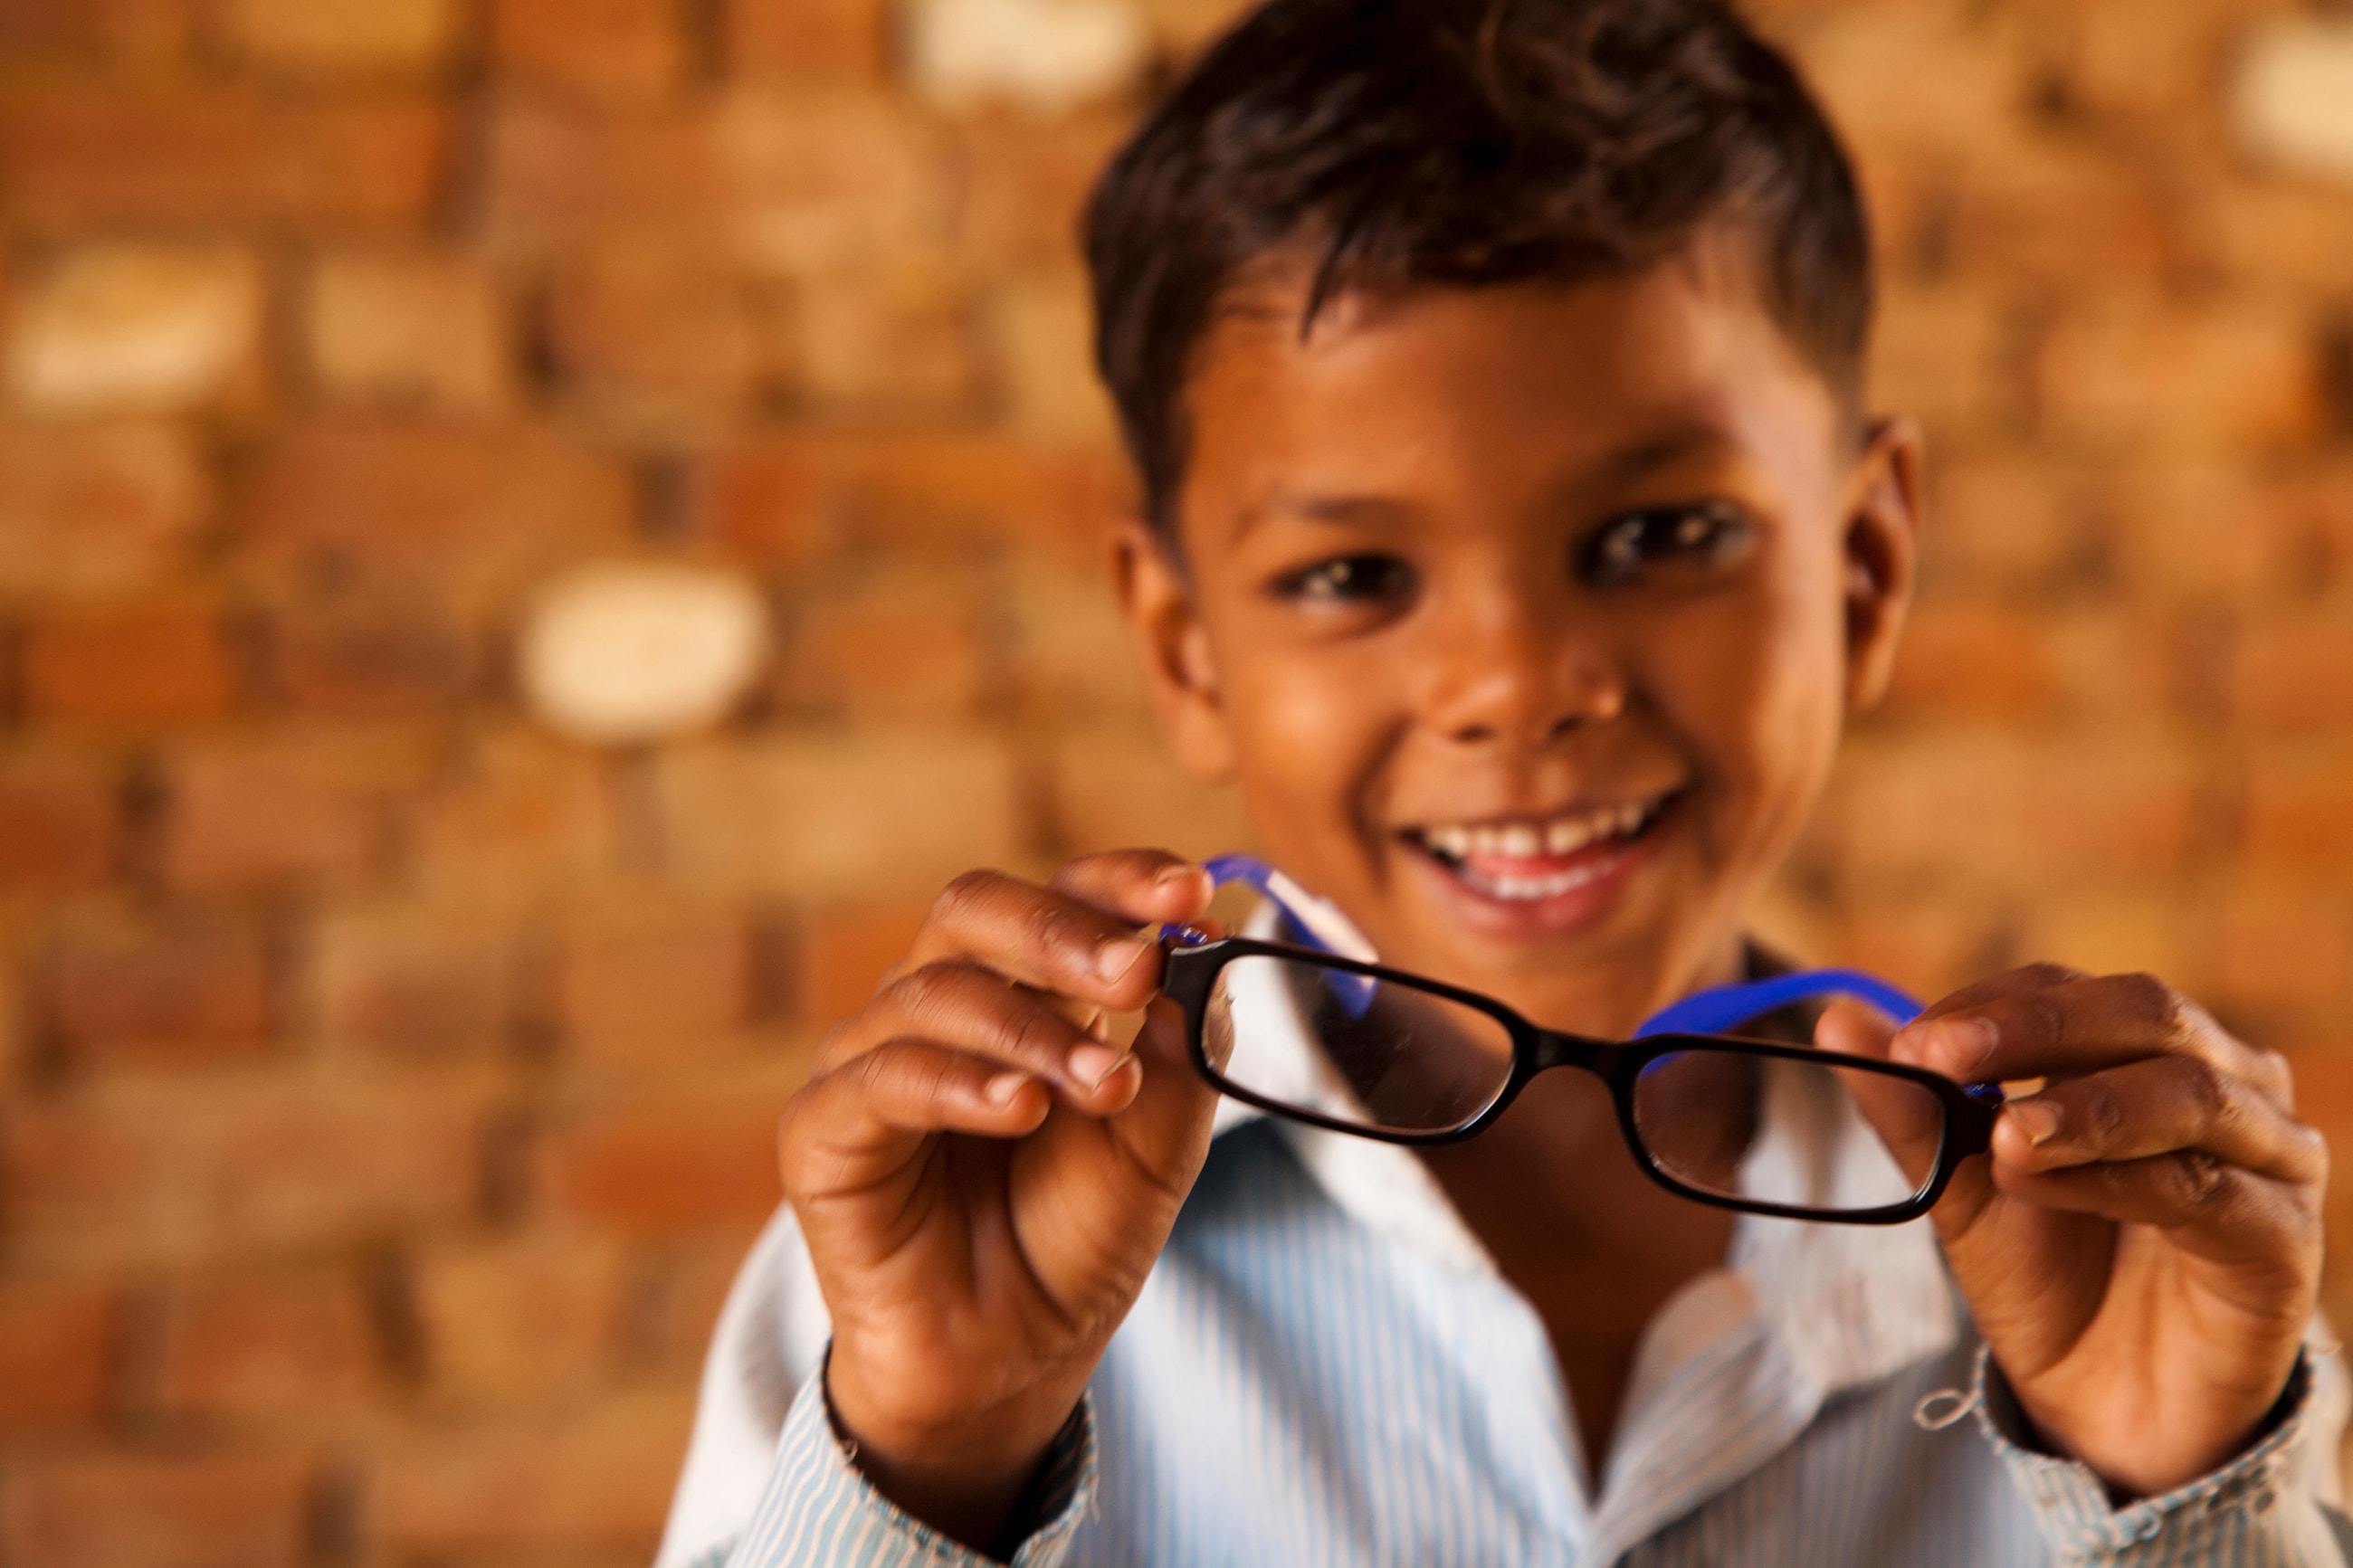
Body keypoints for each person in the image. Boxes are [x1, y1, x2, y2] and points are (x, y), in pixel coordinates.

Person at [656, 0, 2349, 1562]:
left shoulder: (2133, 1279)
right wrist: (928, 1469)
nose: (1523, 686)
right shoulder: (917, 1295)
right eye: (1352, 576)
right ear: (1183, 648)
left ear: (1862, 571)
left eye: (1660, 536)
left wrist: (2181, 1513)